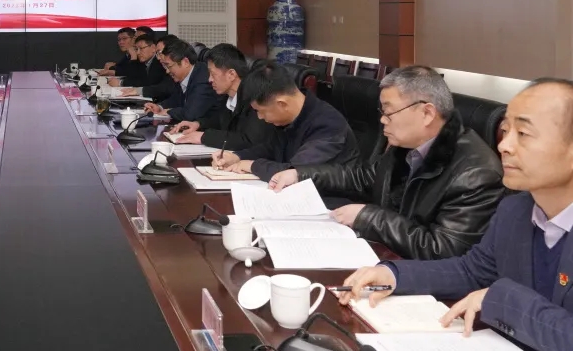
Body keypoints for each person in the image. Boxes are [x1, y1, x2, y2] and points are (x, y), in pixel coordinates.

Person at [336, 79, 573, 351]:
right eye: (505, 131)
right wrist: (394, 274)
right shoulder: (516, 210)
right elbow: (472, 271)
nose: (504, 146)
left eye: (523, 133)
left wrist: (504, 299)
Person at [268, 66, 504, 260]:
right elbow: (361, 177)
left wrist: (369, 217)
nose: (382, 120)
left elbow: (442, 249)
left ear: (427, 113)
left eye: (389, 112)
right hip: (386, 259)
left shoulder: (475, 173)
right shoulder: (406, 146)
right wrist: (300, 174)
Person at [216, 61, 358, 182]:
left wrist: (253, 166)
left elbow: (296, 172)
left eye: (261, 111)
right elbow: (271, 149)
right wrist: (237, 156)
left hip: (331, 201)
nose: (260, 117)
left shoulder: (328, 125)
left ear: (282, 104)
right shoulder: (288, 119)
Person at [169, 43, 275, 153]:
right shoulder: (226, 96)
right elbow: (219, 120)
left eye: (213, 74)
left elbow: (249, 140)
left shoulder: (254, 98)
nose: (209, 79)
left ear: (231, 74)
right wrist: (198, 124)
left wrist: (204, 137)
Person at [143, 40, 221, 123]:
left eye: (169, 66)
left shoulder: (203, 78)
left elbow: (190, 114)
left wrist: (168, 112)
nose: (167, 71)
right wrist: (159, 107)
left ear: (185, 62)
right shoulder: (185, 76)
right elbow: (175, 99)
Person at [120, 34, 179, 102]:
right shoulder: (144, 62)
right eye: (136, 49)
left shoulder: (159, 63)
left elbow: (154, 85)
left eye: (141, 48)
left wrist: (123, 83)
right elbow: (133, 77)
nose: (138, 53)